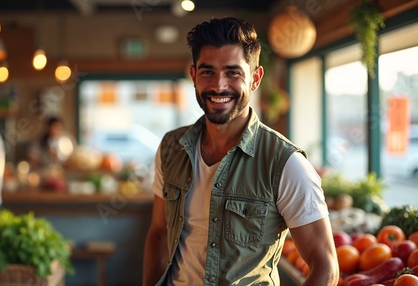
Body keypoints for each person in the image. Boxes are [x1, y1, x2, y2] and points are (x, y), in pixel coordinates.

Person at [143, 17, 339, 286]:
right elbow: (158, 233)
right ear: (193, 76)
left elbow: (326, 266)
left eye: (233, 72)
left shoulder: (285, 163)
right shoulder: (170, 147)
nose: (219, 85)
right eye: (207, 71)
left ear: (255, 79)